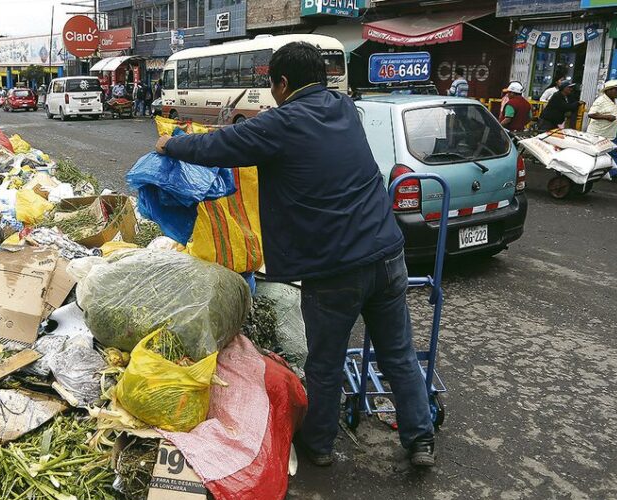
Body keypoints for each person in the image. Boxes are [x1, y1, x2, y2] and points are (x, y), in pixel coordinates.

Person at [155, 42, 437, 468]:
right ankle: (420, 441)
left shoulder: (283, 123)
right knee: (398, 353)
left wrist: (170, 145)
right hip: (387, 254)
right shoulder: (345, 109)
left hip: (335, 267)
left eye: (273, 87)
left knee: (325, 362)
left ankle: (320, 445)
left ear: (282, 83)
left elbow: (220, 146)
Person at [586, 80, 617, 178]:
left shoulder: (615, 100)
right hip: (598, 133)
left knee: (613, 152)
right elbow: (591, 114)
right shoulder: (601, 100)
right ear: (608, 90)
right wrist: (606, 117)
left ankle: (614, 172)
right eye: (616, 90)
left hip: (611, 132)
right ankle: (590, 171)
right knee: (596, 153)